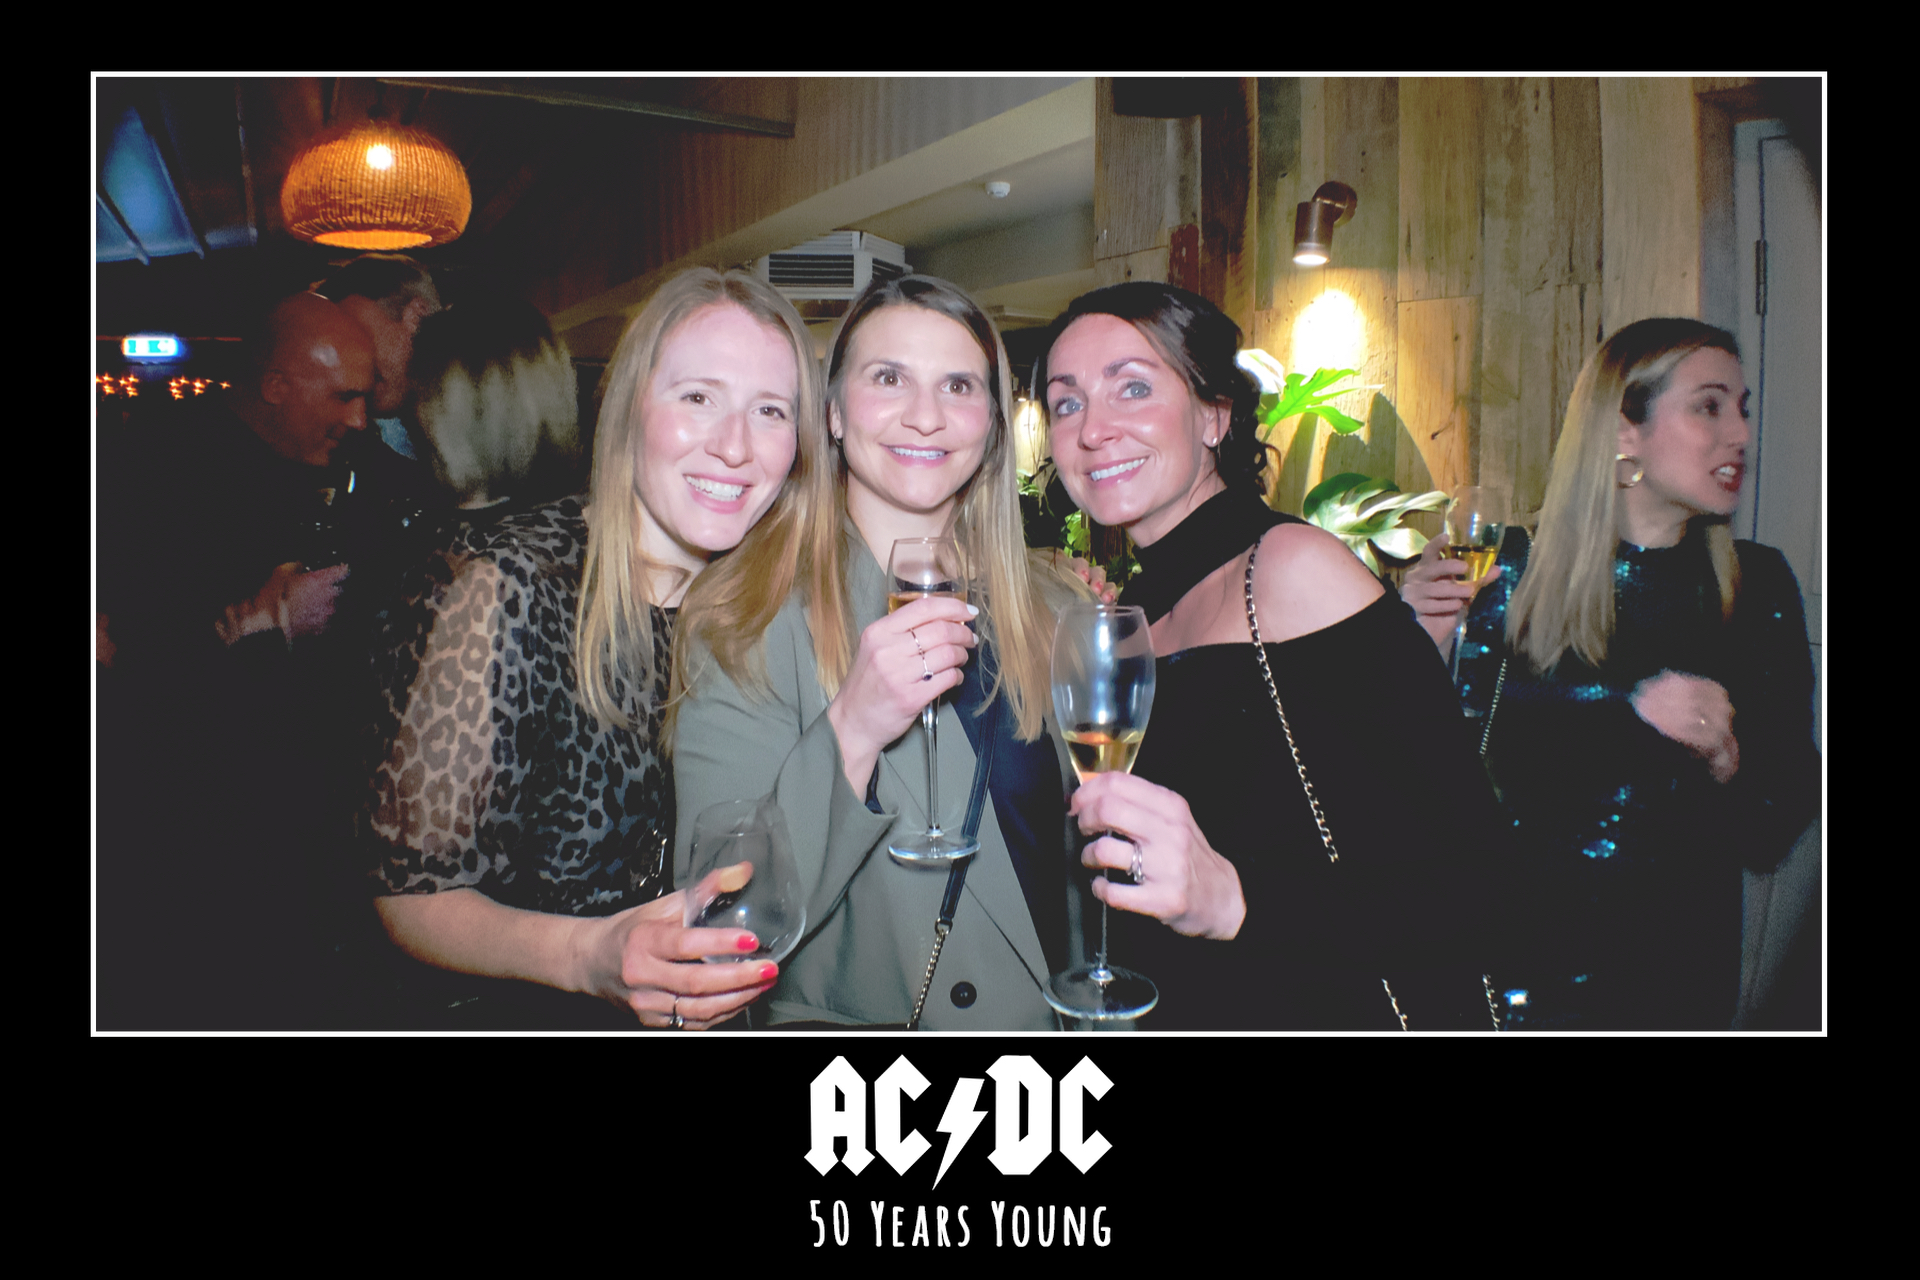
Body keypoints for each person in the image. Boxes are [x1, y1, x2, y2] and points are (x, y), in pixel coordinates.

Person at [361, 268, 827, 1029]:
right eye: (698, 398)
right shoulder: (505, 584)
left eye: (770, 410)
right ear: (631, 407)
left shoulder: (770, 604)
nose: (735, 446)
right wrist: (588, 955)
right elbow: (410, 895)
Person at [1037, 281, 1500, 1030]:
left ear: (1214, 414)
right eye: (1067, 403)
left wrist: (1237, 900)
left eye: (1133, 387)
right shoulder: (1135, 611)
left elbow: (1476, 880)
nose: (1093, 429)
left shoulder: (1290, 567)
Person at [670, 275, 1079, 1030]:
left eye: (958, 385)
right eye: (888, 378)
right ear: (831, 411)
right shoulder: (744, 615)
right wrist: (852, 730)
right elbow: (722, 924)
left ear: (994, 423)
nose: (925, 415)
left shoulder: (1056, 606)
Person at [1400, 318, 1818, 1029]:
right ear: (1625, 430)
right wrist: (1416, 647)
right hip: (1506, 963)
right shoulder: (1505, 572)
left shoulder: (1756, 586)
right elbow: (1427, 779)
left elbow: (1775, 824)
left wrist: (1727, 754)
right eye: (1709, 406)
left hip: (1673, 976)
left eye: (1743, 409)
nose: (1740, 434)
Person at [97, 291, 376, 1027]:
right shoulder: (155, 468)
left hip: (299, 829)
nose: (360, 419)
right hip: (188, 837)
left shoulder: (335, 472)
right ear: (276, 386)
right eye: (343, 397)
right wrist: (265, 628)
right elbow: (126, 661)